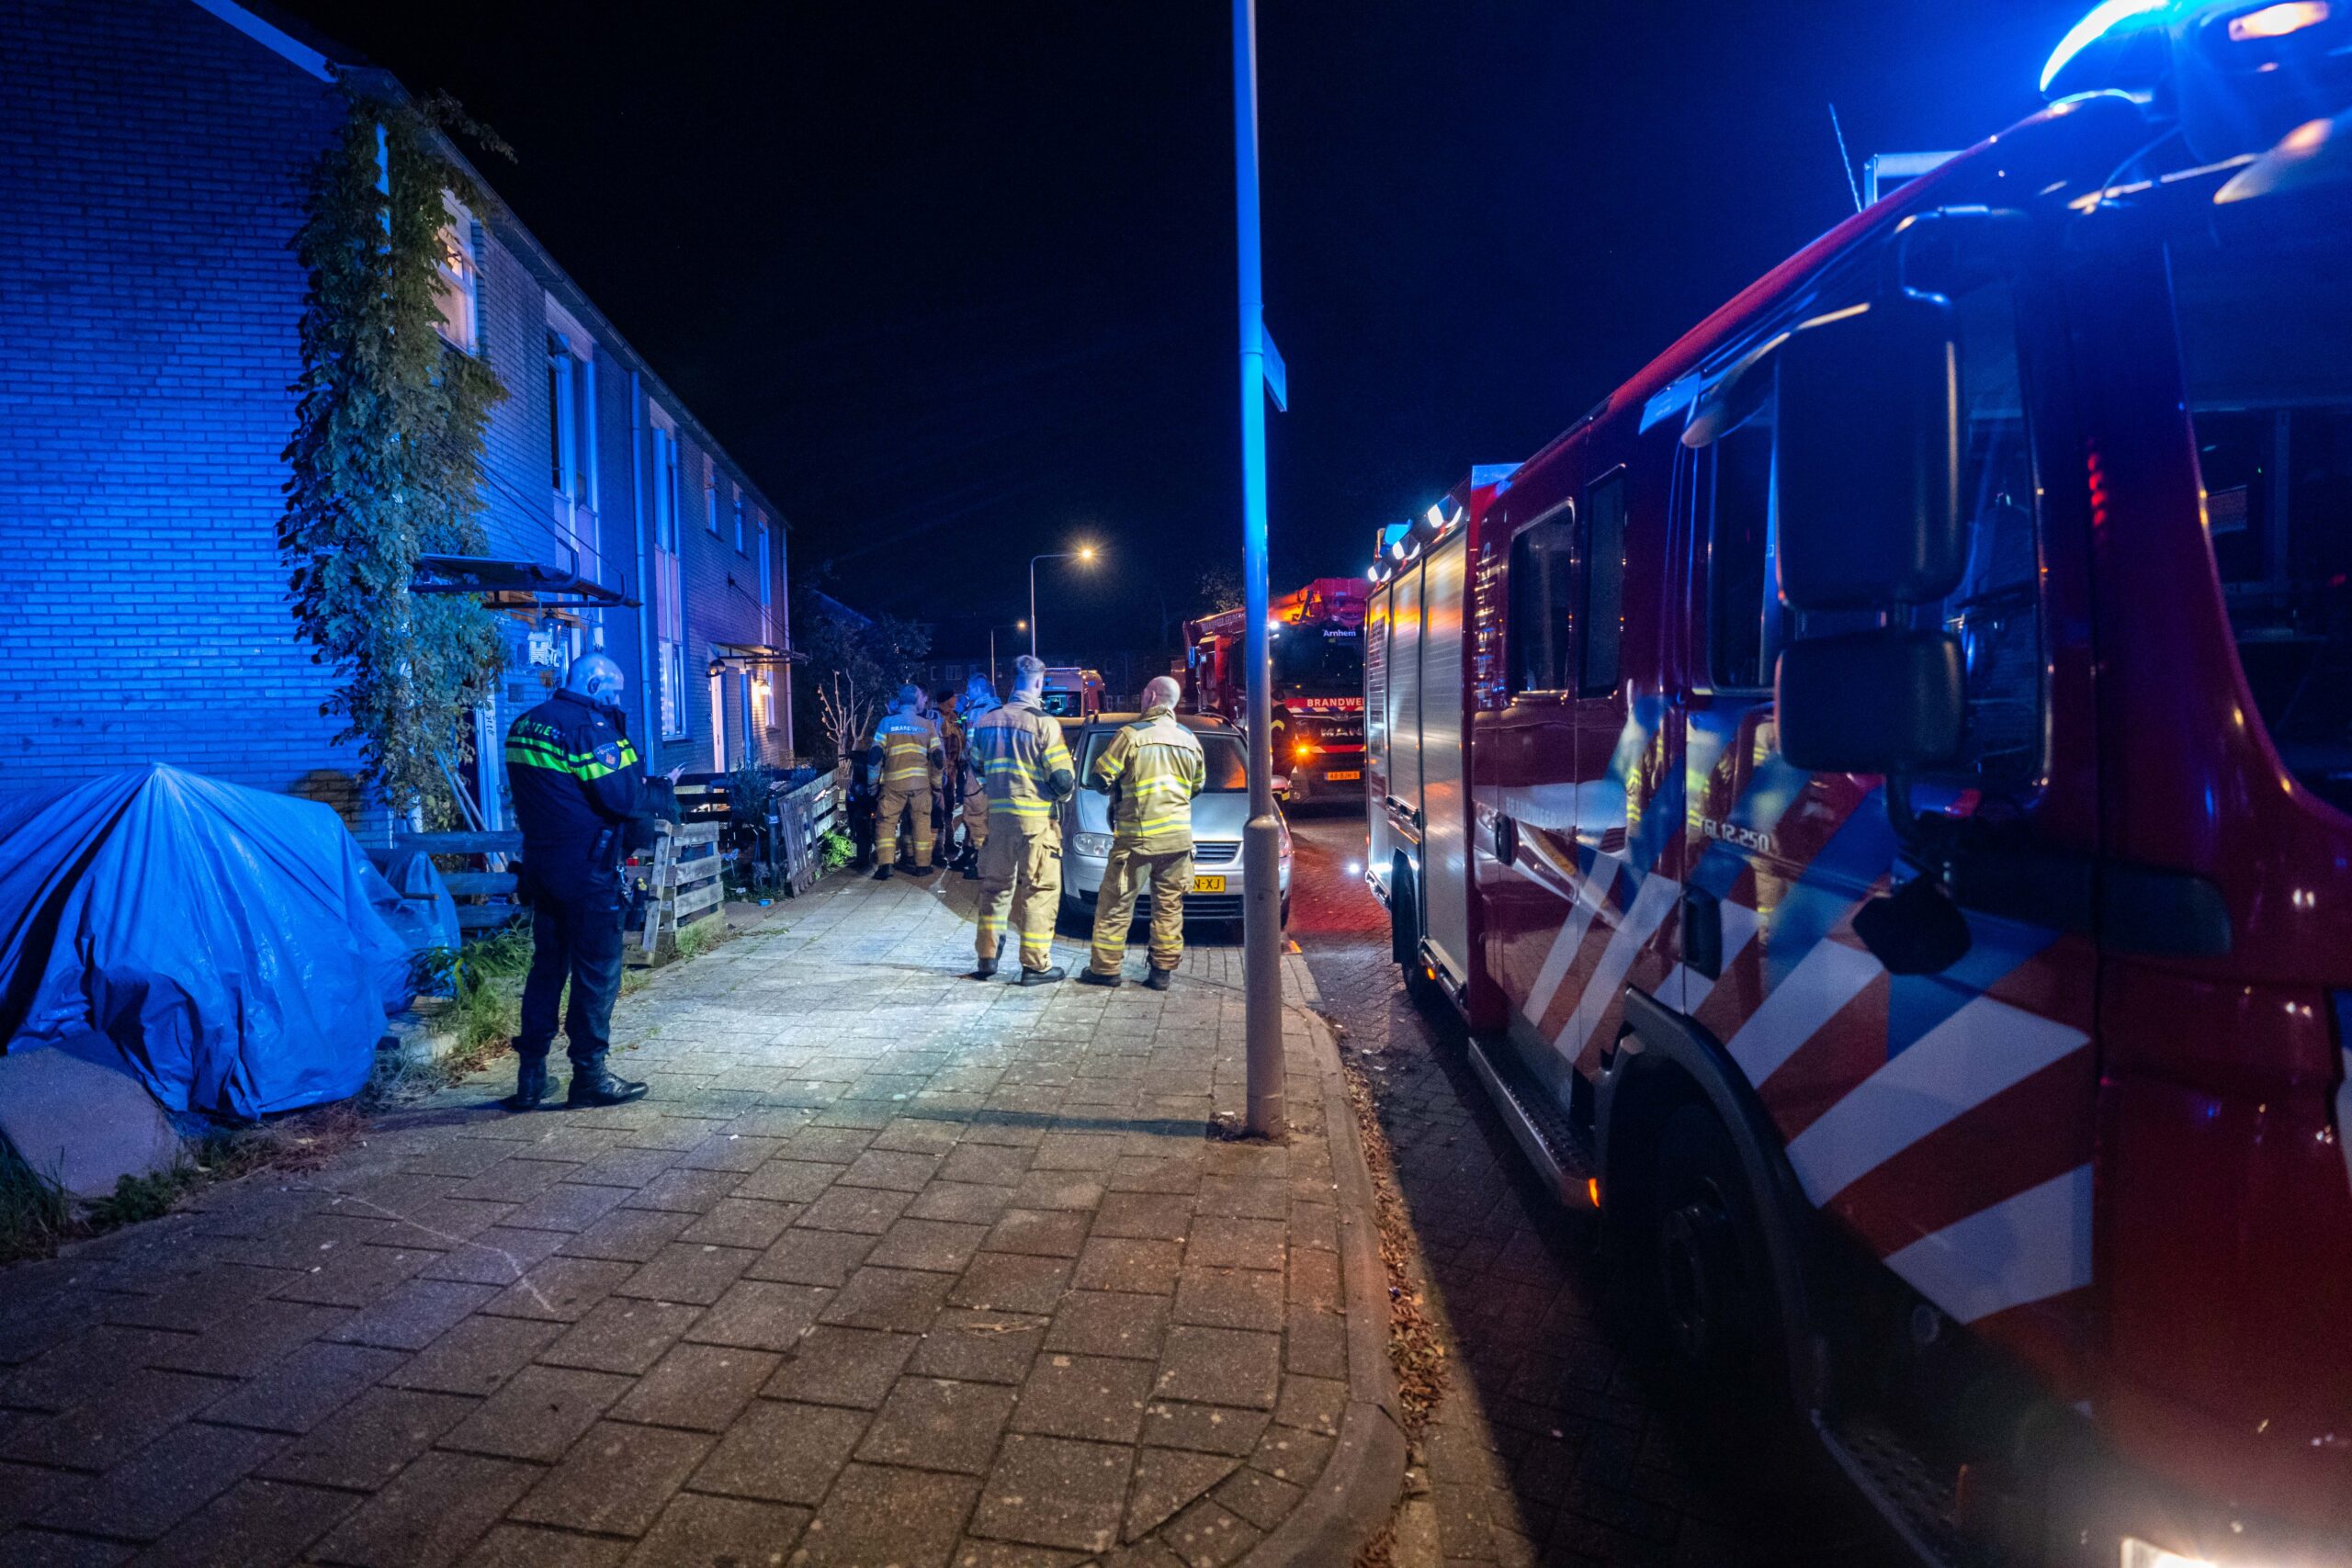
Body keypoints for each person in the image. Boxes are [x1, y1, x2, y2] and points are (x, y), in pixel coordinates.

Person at [503, 652, 657, 1111]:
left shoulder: (524, 725)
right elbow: (624, 796)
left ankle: (531, 1076)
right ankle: (589, 1075)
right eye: (611, 692)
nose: (614, 700)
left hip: (541, 867)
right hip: (588, 871)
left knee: (548, 968)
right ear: (593, 684)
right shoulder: (590, 729)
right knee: (597, 973)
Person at [1079, 676, 1206, 991]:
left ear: (1150, 697)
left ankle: (1106, 970)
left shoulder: (1131, 735)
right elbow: (1198, 785)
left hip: (1137, 839)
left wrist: (1118, 790)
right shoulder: (1190, 739)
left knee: (1116, 905)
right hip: (1177, 840)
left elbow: (1099, 777)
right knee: (1169, 908)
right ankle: (1161, 972)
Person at [965, 655, 1075, 982]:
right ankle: (1035, 964)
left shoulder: (986, 721)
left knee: (995, 888)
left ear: (1011, 682)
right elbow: (1062, 780)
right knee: (1039, 890)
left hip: (998, 819)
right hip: (1036, 823)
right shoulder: (1044, 723)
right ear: (1039, 683)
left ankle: (986, 957)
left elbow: (978, 767)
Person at [868, 684, 943, 880]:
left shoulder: (886, 723)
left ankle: (886, 866)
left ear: (899, 700)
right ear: (918, 701)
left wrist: (872, 783)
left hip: (893, 785)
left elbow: (875, 756)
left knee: (886, 823)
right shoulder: (927, 725)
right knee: (921, 822)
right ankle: (923, 865)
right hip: (920, 785)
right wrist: (936, 784)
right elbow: (937, 757)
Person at [954, 672, 999, 878]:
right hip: (999, 772)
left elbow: (971, 743)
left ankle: (976, 861)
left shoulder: (977, 711)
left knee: (975, 814)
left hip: (979, 770)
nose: (968, 693)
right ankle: (969, 852)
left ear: (979, 689)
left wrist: (962, 758)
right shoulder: (1000, 709)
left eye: (970, 689)